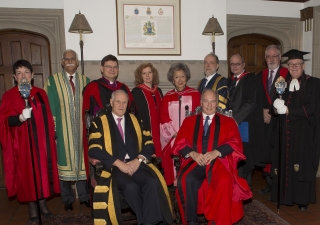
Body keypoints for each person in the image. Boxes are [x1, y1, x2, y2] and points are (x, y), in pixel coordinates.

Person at [88, 90, 173, 225]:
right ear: (111, 102)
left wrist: (138, 160)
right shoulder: (99, 123)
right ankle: (147, 221)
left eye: (124, 102)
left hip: (136, 164)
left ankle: (147, 222)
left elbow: (149, 144)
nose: (121, 105)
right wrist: (118, 163)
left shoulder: (136, 121)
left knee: (152, 181)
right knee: (131, 187)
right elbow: (94, 149)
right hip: (114, 168)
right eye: (118, 102)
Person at [172, 89, 252, 225]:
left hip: (219, 162)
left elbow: (234, 142)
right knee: (186, 179)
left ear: (217, 103)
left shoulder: (228, 122)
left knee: (224, 181)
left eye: (213, 101)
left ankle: (217, 220)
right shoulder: (189, 121)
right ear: (201, 102)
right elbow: (180, 142)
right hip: (195, 161)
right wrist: (193, 154)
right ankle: (190, 220)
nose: (209, 105)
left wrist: (216, 152)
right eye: (206, 101)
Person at [0, 60, 60, 222]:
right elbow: (5, 121)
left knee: (42, 174)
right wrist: (20, 117)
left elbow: (48, 118)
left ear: (32, 75)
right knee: (28, 176)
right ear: (14, 77)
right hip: (23, 146)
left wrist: (51, 138)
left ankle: (43, 206)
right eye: (19, 73)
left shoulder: (40, 93)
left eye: (26, 72)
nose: (23, 76)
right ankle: (33, 210)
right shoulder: (9, 96)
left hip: (42, 144)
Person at [271, 49, 320, 211]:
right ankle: (284, 197)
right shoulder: (281, 83)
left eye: (297, 64)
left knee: (301, 165)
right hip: (284, 133)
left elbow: (311, 108)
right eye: (291, 64)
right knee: (284, 162)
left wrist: (288, 110)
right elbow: (274, 106)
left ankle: (302, 200)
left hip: (303, 134)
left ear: (303, 66)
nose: (294, 67)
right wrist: (275, 107)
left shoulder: (314, 83)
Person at [44, 49, 91, 211]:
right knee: (64, 163)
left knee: (82, 162)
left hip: (82, 131)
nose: (70, 61)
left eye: (73, 58)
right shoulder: (52, 81)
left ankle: (84, 197)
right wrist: (54, 129)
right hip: (63, 131)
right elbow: (50, 107)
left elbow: (90, 107)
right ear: (62, 62)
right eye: (67, 58)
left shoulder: (86, 81)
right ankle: (67, 200)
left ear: (77, 62)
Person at [82, 54, 133, 176]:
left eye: (115, 67)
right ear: (101, 68)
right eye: (108, 66)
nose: (112, 69)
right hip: (102, 137)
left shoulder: (124, 88)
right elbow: (87, 117)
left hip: (123, 136)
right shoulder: (92, 87)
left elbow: (131, 115)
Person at [160, 63, 201, 185]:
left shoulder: (195, 94)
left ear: (187, 77)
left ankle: (188, 183)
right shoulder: (167, 97)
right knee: (173, 161)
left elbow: (198, 116)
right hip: (173, 136)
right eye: (177, 77)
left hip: (189, 135)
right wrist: (174, 133)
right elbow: (163, 118)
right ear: (172, 79)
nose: (180, 80)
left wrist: (187, 133)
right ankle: (175, 184)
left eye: (182, 76)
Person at [227, 54, 264, 189]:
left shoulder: (251, 79)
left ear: (243, 64)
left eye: (237, 63)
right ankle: (235, 183)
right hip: (231, 122)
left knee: (245, 154)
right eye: (232, 64)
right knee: (233, 152)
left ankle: (246, 185)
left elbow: (251, 101)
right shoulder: (229, 81)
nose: (235, 66)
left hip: (244, 122)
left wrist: (235, 119)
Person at [256, 45, 288, 196]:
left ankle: (278, 186)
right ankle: (269, 183)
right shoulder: (261, 75)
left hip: (280, 120)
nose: (271, 59)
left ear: (280, 57)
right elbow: (259, 96)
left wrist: (272, 110)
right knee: (266, 151)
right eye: (268, 56)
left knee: (277, 153)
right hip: (265, 120)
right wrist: (263, 110)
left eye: (274, 56)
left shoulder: (286, 74)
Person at [131, 63, 163, 157]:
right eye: (144, 73)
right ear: (140, 76)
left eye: (149, 72)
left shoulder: (158, 91)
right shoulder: (137, 92)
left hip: (159, 128)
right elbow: (134, 114)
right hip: (146, 128)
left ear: (154, 74)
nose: (147, 75)